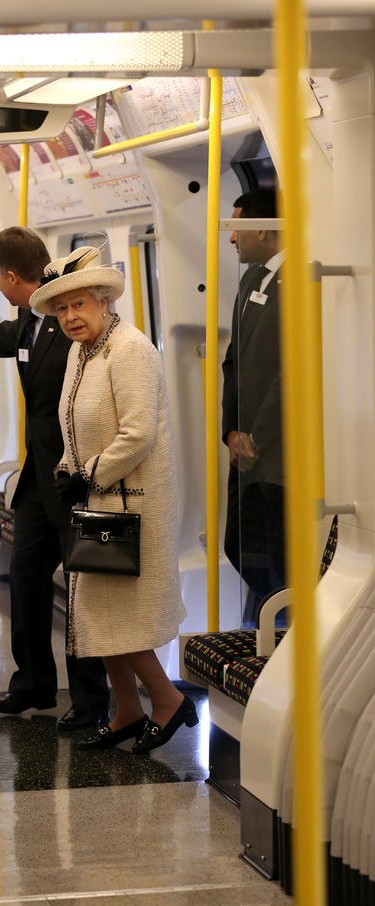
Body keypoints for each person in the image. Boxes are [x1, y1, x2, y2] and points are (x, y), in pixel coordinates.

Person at [0, 227, 109, 730]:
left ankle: (91, 700)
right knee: (26, 578)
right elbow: (15, 338)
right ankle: (32, 683)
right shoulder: (30, 318)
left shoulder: (72, 326)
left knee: (82, 593)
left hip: (75, 479)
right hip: (38, 480)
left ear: (11, 277)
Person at [29, 246, 193, 755]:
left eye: (79, 305)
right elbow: (75, 425)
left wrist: (89, 476)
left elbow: (137, 433)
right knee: (95, 618)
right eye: (61, 309)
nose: (70, 317)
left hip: (131, 503)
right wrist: (68, 474)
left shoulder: (131, 349)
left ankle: (167, 701)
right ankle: (127, 708)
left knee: (122, 616)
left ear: (104, 301)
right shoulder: (83, 351)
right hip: (98, 500)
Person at [222, 189, 285, 617]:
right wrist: (229, 431)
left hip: (275, 451)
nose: (231, 239)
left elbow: (293, 372)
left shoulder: (300, 279)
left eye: (236, 227)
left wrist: (256, 438)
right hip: (240, 446)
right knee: (237, 546)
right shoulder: (250, 280)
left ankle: (286, 637)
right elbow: (233, 362)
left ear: (261, 228)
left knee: (278, 557)